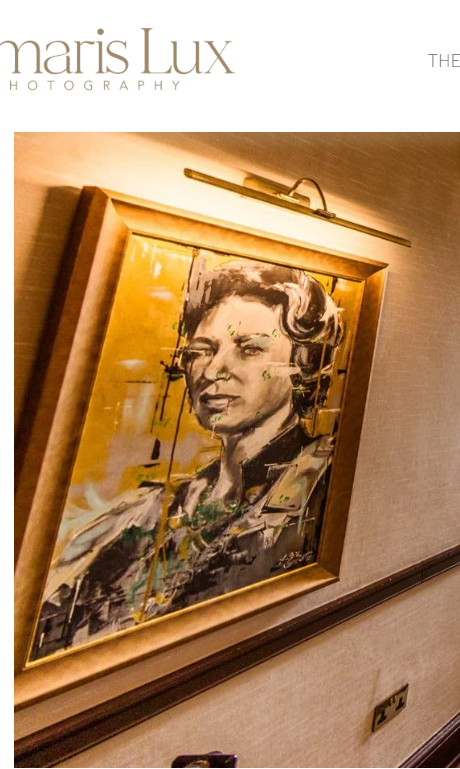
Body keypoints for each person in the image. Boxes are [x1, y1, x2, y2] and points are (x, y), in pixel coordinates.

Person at [32, 258, 344, 659]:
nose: (213, 370)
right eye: (201, 351)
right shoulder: (142, 515)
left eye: (249, 349)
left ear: (304, 366)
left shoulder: (325, 489)